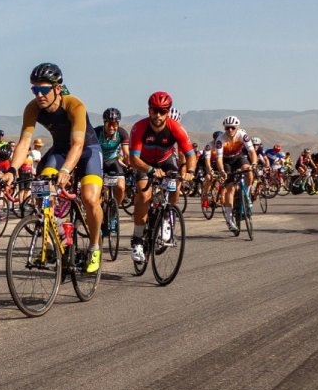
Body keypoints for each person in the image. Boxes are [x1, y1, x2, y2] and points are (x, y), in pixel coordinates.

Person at [8, 63, 104, 272]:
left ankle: (95, 246)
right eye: (35, 89)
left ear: (57, 88)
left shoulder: (74, 105)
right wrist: (11, 171)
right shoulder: (32, 108)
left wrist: (66, 170)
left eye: (43, 89)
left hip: (87, 149)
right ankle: (54, 238)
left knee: (89, 198)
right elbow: (24, 143)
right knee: (43, 190)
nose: (39, 95)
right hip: (60, 150)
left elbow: (78, 144)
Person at [125, 92, 196, 262]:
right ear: (149, 110)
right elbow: (133, 159)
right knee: (144, 196)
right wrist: (150, 169)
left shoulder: (176, 128)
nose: (158, 115)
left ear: (168, 112)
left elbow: (190, 154)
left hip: (166, 160)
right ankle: (138, 240)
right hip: (143, 162)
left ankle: (166, 218)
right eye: (154, 110)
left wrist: (191, 171)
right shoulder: (139, 127)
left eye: (162, 111)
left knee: (175, 185)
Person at [211, 115, 257, 235]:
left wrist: (254, 163)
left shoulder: (242, 135)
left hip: (238, 158)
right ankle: (229, 219)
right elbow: (219, 159)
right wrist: (222, 171)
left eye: (232, 127)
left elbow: (251, 151)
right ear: (224, 128)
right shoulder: (220, 139)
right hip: (226, 162)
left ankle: (247, 195)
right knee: (230, 188)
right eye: (227, 128)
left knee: (249, 171)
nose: (230, 130)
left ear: (237, 127)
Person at [94, 108, 130, 209]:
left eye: (114, 124)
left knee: (121, 188)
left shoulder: (122, 133)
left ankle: (114, 210)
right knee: (97, 191)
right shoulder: (97, 132)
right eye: (109, 124)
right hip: (98, 161)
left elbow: (126, 154)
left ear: (118, 124)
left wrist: (130, 165)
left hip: (113, 161)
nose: (111, 127)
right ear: (104, 123)